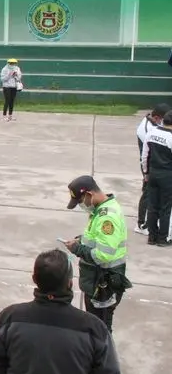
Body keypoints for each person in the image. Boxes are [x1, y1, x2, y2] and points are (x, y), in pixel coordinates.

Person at [63, 176, 131, 333]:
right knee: (94, 327)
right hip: (96, 282)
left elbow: (103, 255)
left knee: (100, 330)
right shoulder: (100, 210)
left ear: (89, 194)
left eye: (81, 201)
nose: (82, 205)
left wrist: (77, 249)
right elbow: (97, 238)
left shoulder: (107, 217)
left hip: (104, 283)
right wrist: (80, 241)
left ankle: (103, 357)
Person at [136, 104, 170, 236]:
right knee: (148, 194)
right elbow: (151, 150)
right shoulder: (146, 129)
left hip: (155, 165)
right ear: (157, 118)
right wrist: (147, 172)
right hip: (151, 166)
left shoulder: (153, 125)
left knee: (152, 196)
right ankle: (141, 224)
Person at [143, 110, 172, 246]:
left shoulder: (152, 132)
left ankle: (152, 236)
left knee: (152, 206)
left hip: (153, 173)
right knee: (165, 208)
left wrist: (146, 173)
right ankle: (162, 238)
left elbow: (145, 155)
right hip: (167, 175)